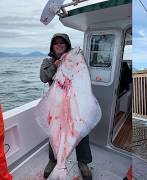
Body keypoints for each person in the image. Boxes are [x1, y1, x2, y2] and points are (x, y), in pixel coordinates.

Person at [40, 33, 92, 180]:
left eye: (62, 42)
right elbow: (44, 78)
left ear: (67, 44)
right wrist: (55, 66)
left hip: (75, 102)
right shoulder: (47, 61)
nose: (59, 45)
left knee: (80, 130)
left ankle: (83, 162)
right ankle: (54, 160)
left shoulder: (75, 58)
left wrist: (75, 60)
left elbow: (84, 74)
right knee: (54, 132)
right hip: (56, 104)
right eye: (55, 43)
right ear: (52, 46)